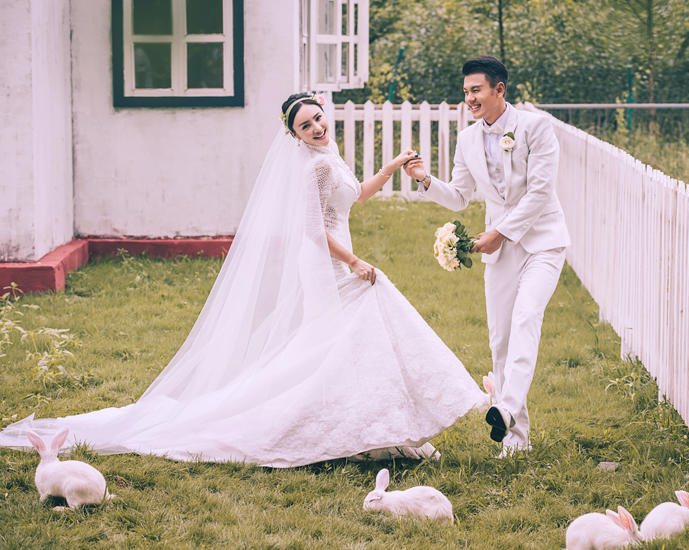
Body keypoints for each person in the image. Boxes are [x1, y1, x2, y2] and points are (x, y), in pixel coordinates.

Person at [0, 93, 490, 467]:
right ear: (294, 136)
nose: (316, 127)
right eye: (305, 126)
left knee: (341, 343)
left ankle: (374, 430)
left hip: (335, 256)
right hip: (324, 262)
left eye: (317, 118)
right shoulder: (315, 167)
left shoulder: (330, 155)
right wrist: (355, 261)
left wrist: (391, 167)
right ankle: (351, 431)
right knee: (337, 341)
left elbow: (356, 195)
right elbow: (312, 231)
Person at [404, 56, 570, 456]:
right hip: (499, 251)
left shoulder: (535, 127)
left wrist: (502, 232)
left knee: (526, 317)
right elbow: (460, 196)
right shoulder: (467, 139)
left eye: (476, 90)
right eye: (465, 92)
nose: (469, 99)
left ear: (499, 89)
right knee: (501, 339)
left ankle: (506, 408)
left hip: (543, 242)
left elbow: (540, 191)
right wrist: (425, 180)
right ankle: (516, 441)